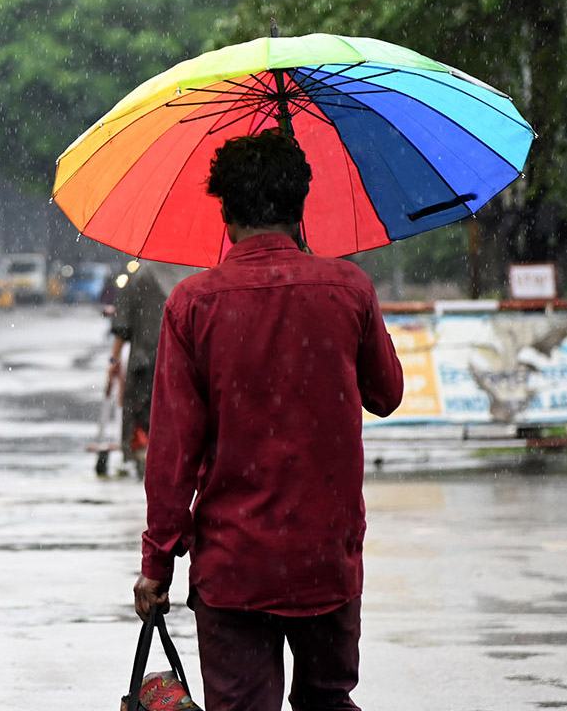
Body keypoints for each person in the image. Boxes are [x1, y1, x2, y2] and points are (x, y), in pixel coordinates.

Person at [132, 130, 404, 711]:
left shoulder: (192, 304)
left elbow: (173, 453)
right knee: (328, 701)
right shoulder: (349, 288)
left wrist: (157, 561)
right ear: (300, 205)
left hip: (235, 568)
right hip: (326, 558)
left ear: (225, 212)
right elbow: (387, 394)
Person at [108, 266, 168, 477]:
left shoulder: (142, 275)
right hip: (184, 364)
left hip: (146, 359)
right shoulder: (199, 273)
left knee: (144, 412)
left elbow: (123, 324)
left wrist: (113, 358)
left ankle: (145, 456)